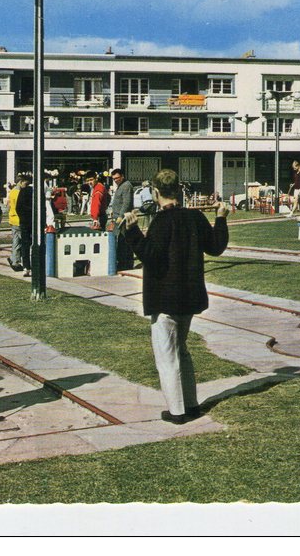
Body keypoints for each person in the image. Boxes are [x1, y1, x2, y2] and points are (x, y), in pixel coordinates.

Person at [122, 169, 230, 424]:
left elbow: (151, 256)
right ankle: (191, 405)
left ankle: (177, 411)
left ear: (155, 192)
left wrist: (132, 231)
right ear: (180, 191)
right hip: (189, 297)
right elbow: (216, 247)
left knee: (167, 355)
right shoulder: (195, 217)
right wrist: (222, 218)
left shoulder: (161, 222)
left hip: (165, 298)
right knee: (181, 351)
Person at [108, 168, 135, 271]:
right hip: (117, 217)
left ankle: (126, 264)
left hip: (123, 219)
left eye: (117, 178)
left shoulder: (126, 186)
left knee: (124, 242)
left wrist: (120, 216)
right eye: (114, 179)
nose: (116, 180)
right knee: (120, 242)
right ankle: (122, 262)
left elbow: (126, 203)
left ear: (122, 176)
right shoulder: (120, 186)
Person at [15, 174, 34, 277]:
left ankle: (26, 267)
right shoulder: (35, 191)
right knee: (35, 243)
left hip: (24, 221)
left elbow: (18, 208)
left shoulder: (22, 192)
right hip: (34, 221)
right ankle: (35, 266)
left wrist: (22, 218)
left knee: (25, 245)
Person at [6, 178, 24, 271]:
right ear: (20, 182)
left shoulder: (12, 192)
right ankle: (19, 261)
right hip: (19, 219)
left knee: (16, 241)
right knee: (23, 241)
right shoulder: (19, 193)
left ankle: (14, 260)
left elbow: (8, 206)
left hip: (12, 218)